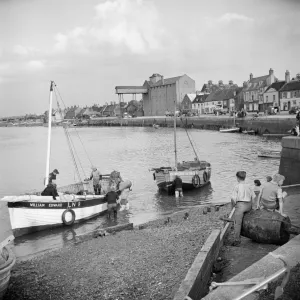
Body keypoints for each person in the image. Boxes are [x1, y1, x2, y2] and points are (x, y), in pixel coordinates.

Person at [230, 171, 255, 246]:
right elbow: (253, 197)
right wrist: (252, 206)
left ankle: (237, 241)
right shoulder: (249, 186)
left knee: (237, 223)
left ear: (237, 178)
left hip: (240, 205)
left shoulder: (237, 186)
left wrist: (234, 206)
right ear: (245, 177)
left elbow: (233, 198)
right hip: (249, 204)